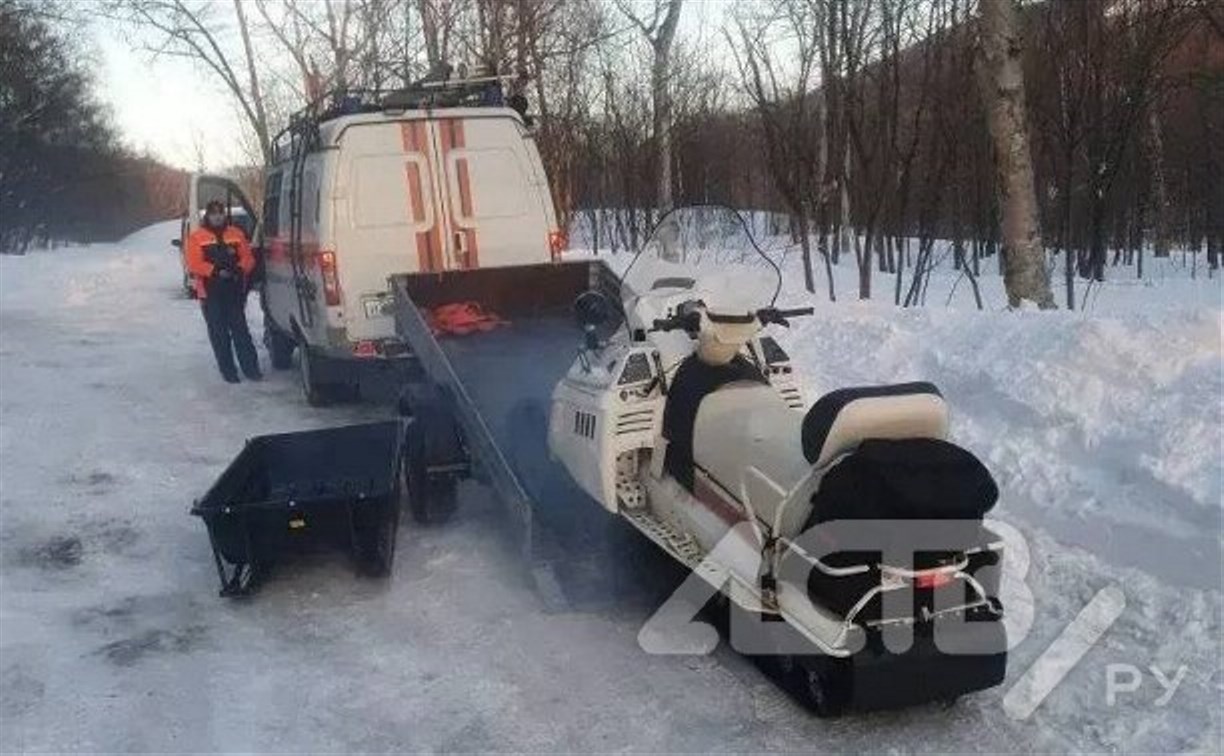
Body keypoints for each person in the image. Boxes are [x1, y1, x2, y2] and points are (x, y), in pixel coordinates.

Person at [185, 200, 261, 383]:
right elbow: (194, 263)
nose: (217, 216)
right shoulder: (197, 238)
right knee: (219, 334)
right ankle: (229, 372)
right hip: (210, 293)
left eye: (220, 213)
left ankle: (251, 370)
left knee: (241, 332)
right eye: (214, 213)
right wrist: (215, 271)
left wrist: (239, 269)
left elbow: (248, 258)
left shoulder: (236, 234)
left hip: (233, 291)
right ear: (208, 216)